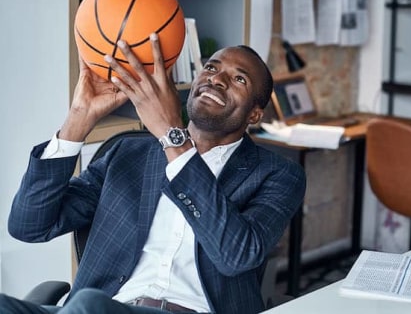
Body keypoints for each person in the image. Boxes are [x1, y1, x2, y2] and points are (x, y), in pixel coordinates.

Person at [1, 33, 306, 314]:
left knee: (90, 304)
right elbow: (29, 225)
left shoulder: (278, 174)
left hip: (168, 309)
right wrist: (78, 120)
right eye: (211, 68)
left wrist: (172, 135)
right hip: (103, 305)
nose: (217, 80)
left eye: (239, 79)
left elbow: (236, 256)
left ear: (254, 114)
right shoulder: (127, 154)